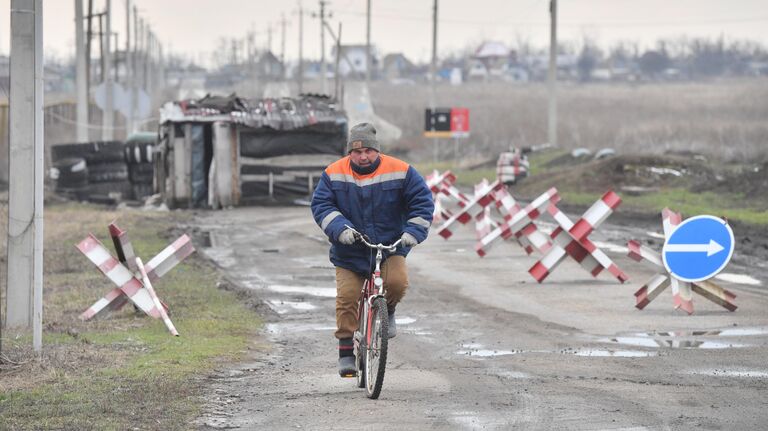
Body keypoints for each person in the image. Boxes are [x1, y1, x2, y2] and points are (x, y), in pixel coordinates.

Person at [311, 122, 434, 377]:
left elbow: (422, 203)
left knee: (397, 283)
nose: (363, 156)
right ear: (349, 153)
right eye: (356, 152)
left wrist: (413, 232)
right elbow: (322, 205)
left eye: (368, 150)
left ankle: (387, 310)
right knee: (347, 297)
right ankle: (346, 349)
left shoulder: (401, 171)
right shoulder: (333, 173)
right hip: (350, 251)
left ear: (377, 150)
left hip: (390, 247)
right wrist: (340, 229)